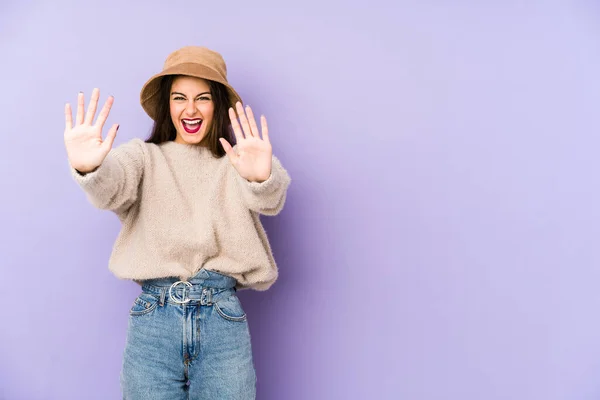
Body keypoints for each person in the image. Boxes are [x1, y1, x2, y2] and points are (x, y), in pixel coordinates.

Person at [64, 46, 291, 399]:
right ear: (167, 105)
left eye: (202, 98)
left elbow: (270, 198)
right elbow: (112, 186)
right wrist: (89, 168)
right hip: (154, 321)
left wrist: (261, 176)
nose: (190, 109)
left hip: (222, 321)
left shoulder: (239, 161)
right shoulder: (143, 156)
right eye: (179, 97)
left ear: (217, 104)